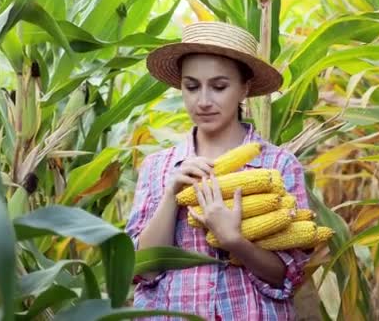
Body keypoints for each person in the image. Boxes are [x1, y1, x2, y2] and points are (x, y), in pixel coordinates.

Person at [125, 21, 311, 320]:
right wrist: (171, 196)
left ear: (244, 89)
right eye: (192, 86)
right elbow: (143, 269)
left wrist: (234, 241)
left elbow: (288, 277)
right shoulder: (158, 167)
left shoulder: (279, 165)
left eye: (219, 86)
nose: (203, 101)